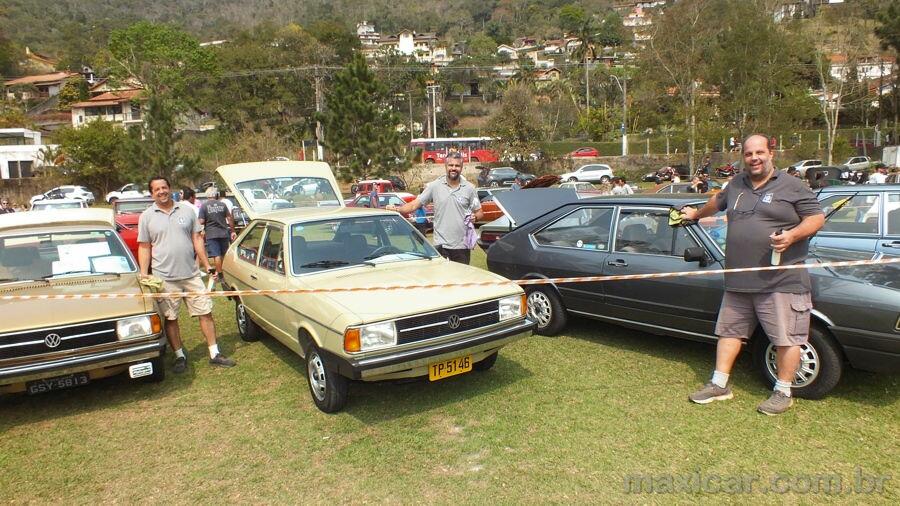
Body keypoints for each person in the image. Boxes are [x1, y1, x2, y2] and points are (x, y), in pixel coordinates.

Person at [681, 134, 824, 416]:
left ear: (771, 153)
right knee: (729, 332)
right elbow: (717, 201)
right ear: (742, 157)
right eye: (748, 154)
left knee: (787, 338)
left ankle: (783, 391)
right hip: (739, 280)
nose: (754, 158)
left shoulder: (792, 185)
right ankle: (719, 384)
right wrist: (696, 214)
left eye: (759, 152)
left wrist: (792, 236)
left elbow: (816, 217)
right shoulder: (736, 184)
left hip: (781, 281)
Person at [138, 176, 236, 373]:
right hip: (164, 278)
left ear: (170, 188)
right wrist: (143, 273)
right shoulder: (146, 216)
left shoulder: (186, 210)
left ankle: (214, 353)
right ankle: (179, 356)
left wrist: (207, 265)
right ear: (152, 193)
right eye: (157, 189)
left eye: (164, 187)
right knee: (171, 318)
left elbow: (197, 240)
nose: (161, 191)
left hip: (191, 274)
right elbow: (144, 247)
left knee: (205, 313)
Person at [386, 152, 483, 264]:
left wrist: (475, 217)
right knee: (442, 281)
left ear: (462, 168)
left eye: (457, 166)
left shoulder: (469, 188)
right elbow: (414, 205)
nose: (453, 168)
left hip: (462, 247)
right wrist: (397, 209)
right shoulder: (434, 186)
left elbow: (480, 212)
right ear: (445, 166)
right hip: (441, 246)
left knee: (459, 281)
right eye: (451, 165)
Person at [199, 187, 237, 278]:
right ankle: (224, 271)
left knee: (216, 255)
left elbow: (201, 221)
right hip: (223, 233)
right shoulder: (222, 204)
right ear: (216, 194)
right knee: (223, 254)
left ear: (207, 195)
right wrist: (232, 231)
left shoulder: (204, 206)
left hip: (211, 234)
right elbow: (229, 218)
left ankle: (220, 274)